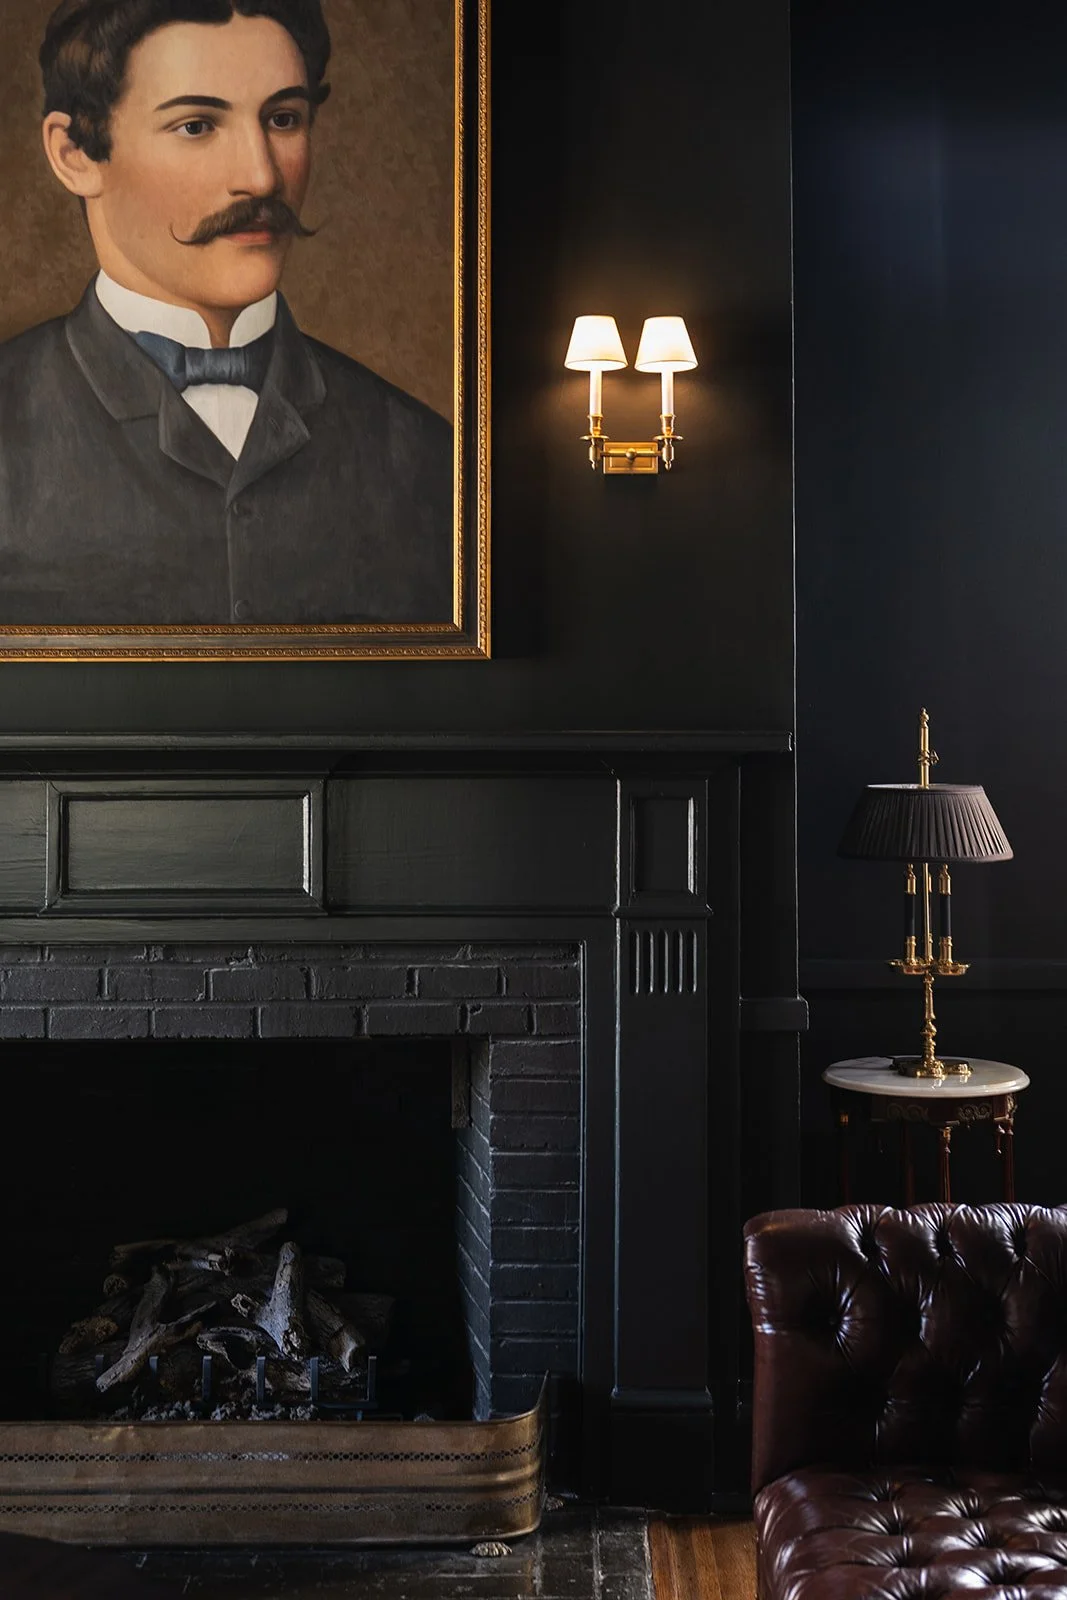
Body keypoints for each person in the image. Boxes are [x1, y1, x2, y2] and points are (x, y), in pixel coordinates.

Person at [0, 0, 454, 627]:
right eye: (197, 126)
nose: (262, 177)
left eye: (284, 118)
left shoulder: (429, 458)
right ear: (75, 153)